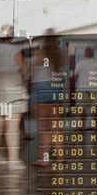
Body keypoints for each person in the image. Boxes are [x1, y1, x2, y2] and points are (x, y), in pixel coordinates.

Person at [0, 24, 28, 171]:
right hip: (13, 88)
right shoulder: (14, 49)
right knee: (12, 126)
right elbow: (24, 69)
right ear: (11, 36)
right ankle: (13, 160)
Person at [31, 29, 64, 167]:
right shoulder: (59, 54)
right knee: (55, 127)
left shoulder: (40, 52)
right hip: (56, 89)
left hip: (42, 90)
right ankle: (60, 157)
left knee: (44, 128)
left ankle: (45, 159)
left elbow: (31, 71)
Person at [74, 47, 97, 129]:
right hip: (94, 89)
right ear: (93, 54)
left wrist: (81, 81)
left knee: (82, 109)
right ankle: (96, 126)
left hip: (82, 89)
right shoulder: (96, 64)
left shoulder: (79, 63)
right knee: (95, 108)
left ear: (85, 54)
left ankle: (82, 126)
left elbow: (75, 76)